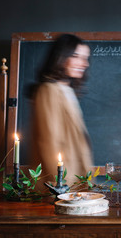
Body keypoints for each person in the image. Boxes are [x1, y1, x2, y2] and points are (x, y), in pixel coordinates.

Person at [30, 34, 93, 191]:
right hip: (62, 184)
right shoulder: (49, 90)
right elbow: (50, 141)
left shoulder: (66, 89)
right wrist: (61, 187)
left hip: (76, 181)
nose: (84, 64)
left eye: (86, 58)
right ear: (61, 57)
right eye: (76, 56)